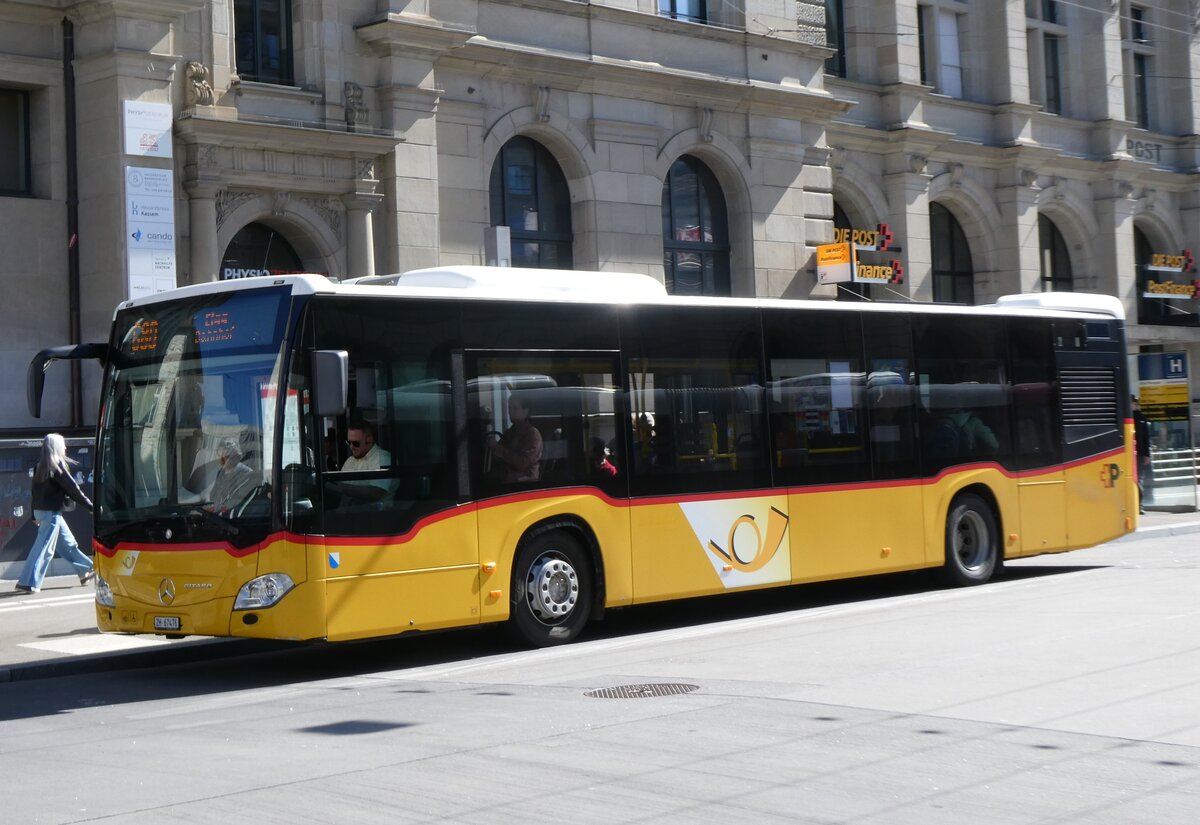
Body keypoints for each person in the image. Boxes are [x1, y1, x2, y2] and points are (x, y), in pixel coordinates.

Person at [14, 433, 94, 594]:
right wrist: (91, 507)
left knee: (68, 544)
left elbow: (34, 493)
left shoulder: (39, 466)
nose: (65, 447)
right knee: (44, 548)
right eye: (63, 445)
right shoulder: (57, 466)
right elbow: (73, 490)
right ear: (56, 447)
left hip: (42, 512)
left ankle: (87, 571)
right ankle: (29, 582)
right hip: (51, 514)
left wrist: (33, 515)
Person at [487, 393, 542, 482]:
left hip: (524, 483)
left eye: (515, 409)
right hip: (508, 479)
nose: (511, 412)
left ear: (525, 411)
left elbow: (522, 463)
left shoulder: (532, 434)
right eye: (509, 408)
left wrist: (498, 448)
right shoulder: (510, 432)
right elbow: (497, 455)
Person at [336, 419, 395, 502]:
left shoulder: (383, 458)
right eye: (349, 442)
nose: (351, 447)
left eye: (356, 443)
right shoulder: (350, 460)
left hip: (378, 512)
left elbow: (375, 494)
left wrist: (341, 487)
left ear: (369, 440)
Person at [207, 439, 258, 513]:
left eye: (226, 457)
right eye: (219, 455)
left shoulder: (246, 474)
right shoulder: (221, 473)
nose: (221, 460)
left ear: (236, 456)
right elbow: (213, 496)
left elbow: (238, 502)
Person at [1132, 395, 1151, 514]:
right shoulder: (1126, 417)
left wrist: (1146, 454)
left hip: (1139, 454)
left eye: (1135, 403)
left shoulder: (1141, 418)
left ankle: (1139, 505)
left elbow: (1146, 438)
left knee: (1138, 479)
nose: (1134, 405)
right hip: (1129, 453)